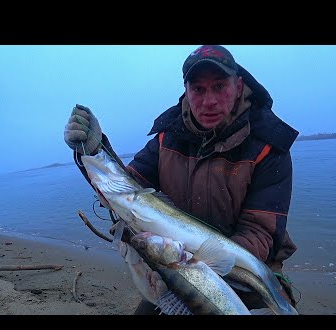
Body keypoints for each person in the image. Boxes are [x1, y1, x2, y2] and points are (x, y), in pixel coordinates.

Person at [64, 45, 299, 314]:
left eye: (219, 86)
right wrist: (93, 152)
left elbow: (260, 234)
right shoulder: (166, 138)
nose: (208, 101)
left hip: (248, 278)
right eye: (198, 89)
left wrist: (204, 267)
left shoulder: (268, 147)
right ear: (186, 90)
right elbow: (125, 192)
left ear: (238, 86)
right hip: (174, 264)